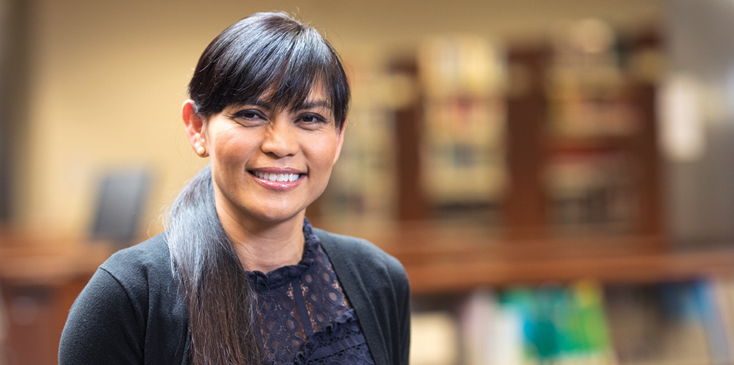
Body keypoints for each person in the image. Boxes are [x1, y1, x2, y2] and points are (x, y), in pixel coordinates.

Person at [59, 12, 410, 365]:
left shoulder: (379, 279)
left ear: (339, 137)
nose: (281, 144)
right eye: (251, 114)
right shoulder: (127, 297)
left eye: (310, 118)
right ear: (197, 127)